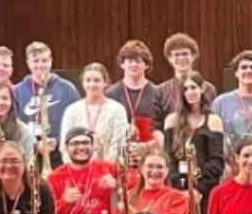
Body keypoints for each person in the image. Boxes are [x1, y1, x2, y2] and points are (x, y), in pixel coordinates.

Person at [164, 71, 226, 214]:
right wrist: (181, 189)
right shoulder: (172, 121)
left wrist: (197, 188)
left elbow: (216, 162)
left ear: (202, 90)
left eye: (194, 88)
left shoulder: (213, 121)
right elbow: (169, 159)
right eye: (186, 88)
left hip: (205, 192)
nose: (190, 92)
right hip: (179, 192)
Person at [12, 40, 81, 165]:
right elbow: (13, 124)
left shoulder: (68, 89)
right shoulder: (16, 91)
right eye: (35, 61)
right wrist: (34, 144)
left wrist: (59, 141)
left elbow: (78, 121)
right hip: (27, 155)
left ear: (51, 61)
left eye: (44, 60)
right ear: (28, 63)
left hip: (60, 154)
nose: (40, 65)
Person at [107, 40, 168, 171]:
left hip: (151, 159)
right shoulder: (110, 94)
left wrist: (146, 147)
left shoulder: (159, 94)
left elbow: (164, 131)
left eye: (139, 61)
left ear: (146, 65)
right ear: (122, 64)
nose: (134, 64)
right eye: (130, 61)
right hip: (119, 160)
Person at [60, 62, 130, 163]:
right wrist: (75, 170)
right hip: (77, 171)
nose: (92, 84)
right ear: (83, 83)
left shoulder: (117, 110)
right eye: (88, 80)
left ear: (105, 83)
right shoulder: (72, 110)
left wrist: (102, 170)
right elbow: (65, 146)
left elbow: (118, 146)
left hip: (107, 171)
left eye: (97, 80)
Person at [214, 50, 252, 154]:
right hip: (230, 166)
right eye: (243, 67)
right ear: (236, 73)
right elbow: (215, 139)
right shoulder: (220, 103)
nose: (248, 70)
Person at [156, 33, 216, 109]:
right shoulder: (160, 91)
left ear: (193, 56)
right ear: (169, 58)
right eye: (176, 55)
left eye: (185, 54)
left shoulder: (208, 89)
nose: (181, 58)